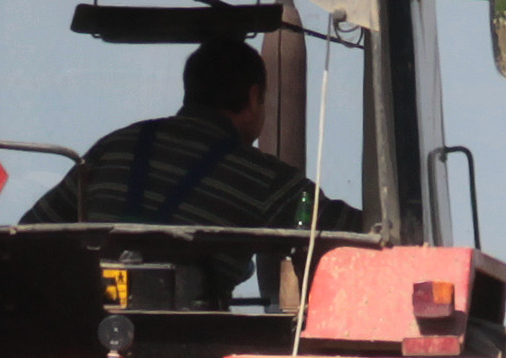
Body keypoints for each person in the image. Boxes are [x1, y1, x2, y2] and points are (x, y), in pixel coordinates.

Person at [21, 38, 364, 298]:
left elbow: (32, 233)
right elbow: (354, 231)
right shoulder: (264, 179)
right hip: (195, 346)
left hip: (88, 334)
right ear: (254, 96)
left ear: (190, 91)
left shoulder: (115, 146)